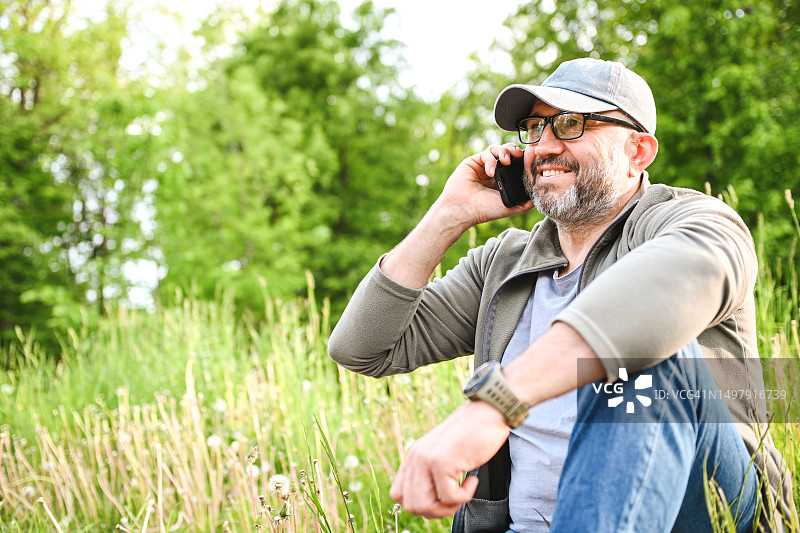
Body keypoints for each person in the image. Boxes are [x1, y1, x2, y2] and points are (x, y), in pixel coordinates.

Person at [328, 58, 795, 532]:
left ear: (638, 151)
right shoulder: (506, 262)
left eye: (571, 124)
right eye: (534, 128)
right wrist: (450, 213)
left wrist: (495, 404)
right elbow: (361, 348)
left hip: (704, 509)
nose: (545, 146)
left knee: (644, 359)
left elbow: (683, 278)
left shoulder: (691, 221)